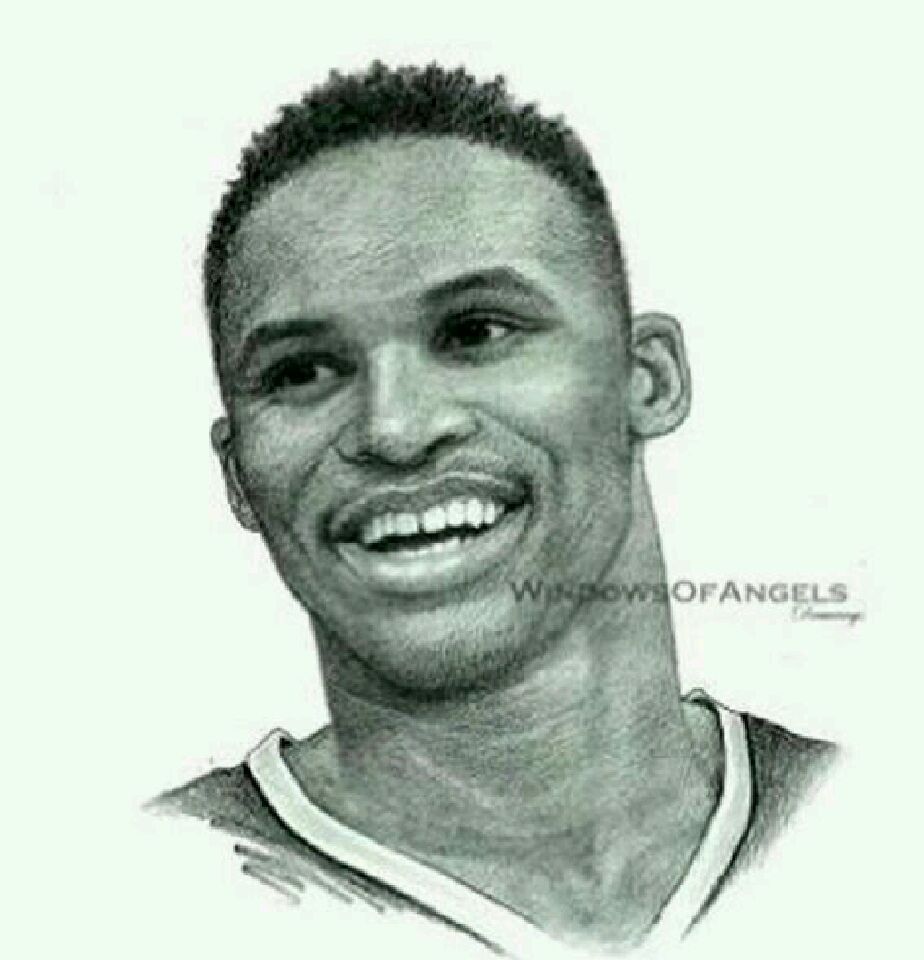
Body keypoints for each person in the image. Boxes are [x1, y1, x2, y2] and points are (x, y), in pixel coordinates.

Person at [151, 62, 838, 957]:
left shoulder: (893, 830)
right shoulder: (134, 896)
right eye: (301, 371)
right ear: (238, 473)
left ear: (647, 380)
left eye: (477, 331)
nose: (396, 430)